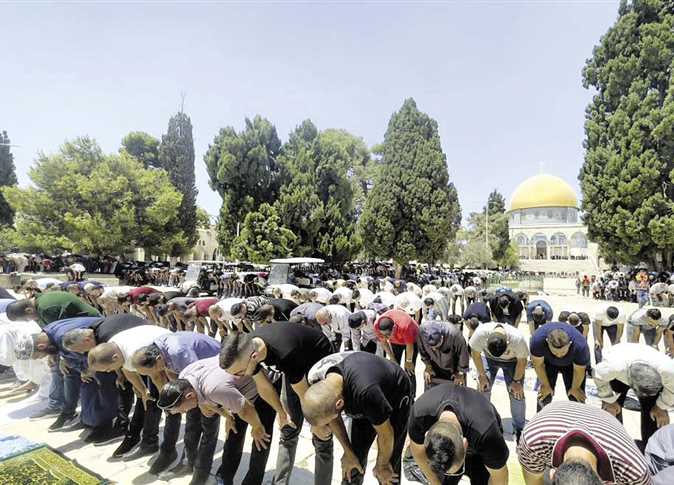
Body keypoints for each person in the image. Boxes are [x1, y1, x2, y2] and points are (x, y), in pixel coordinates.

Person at [219, 323, 334, 485]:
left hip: (318, 365)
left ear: (254, 357)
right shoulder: (250, 347)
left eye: (239, 372)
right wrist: (281, 412)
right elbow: (264, 386)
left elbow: (305, 397)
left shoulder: (285, 353)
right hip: (294, 370)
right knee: (288, 428)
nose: (238, 378)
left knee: (322, 434)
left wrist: (316, 423)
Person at [158, 355, 276, 485]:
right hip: (236, 387)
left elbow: (246, 409)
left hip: (263, 383)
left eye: (181, 409)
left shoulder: (214, 389)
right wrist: (227, 415)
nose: (183, 412)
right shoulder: (185, 377)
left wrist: (257, 426)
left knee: (261, 438)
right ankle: (224, 477)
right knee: (233, 432)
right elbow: (205, 397)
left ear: (189, 396)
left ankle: (253, 481)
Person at [303, 351, 413, 485]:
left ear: (340, 404)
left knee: (388, 467)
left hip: (395, 394)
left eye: (326, 424)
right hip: (365, 392)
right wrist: (348, 453)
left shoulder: (366, 393)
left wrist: (382, 465)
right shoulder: (326, 384)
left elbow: (386, 434)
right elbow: (332, 417)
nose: (328, 428)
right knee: (353, 459)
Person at [61, 313, 157, 456]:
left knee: (147, 396)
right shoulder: (93, 332)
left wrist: (139, 388)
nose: (82, 353)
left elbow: (123, 358)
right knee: (124, 385)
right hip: (127, 352)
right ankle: (123, 426)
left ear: (87, 340)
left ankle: (144, 438)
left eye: (80, 350)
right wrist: (120, 374)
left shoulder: (107, 338)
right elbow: (118, 359)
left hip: (147, 349)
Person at [15, 317, 120, 443]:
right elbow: (68, 353)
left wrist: (86, 370)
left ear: (41, 346)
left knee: (102, 382)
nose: (40, 358)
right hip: (90, 347)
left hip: (105, 346)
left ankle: (106, 424)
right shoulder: (48, 332)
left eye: (38, 356)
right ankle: (87, 420)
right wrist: (63, 359)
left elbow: (84, 354)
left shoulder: (62, 337)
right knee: (83, 383)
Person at [130, 332, 221, 475]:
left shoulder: (178, 352)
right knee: (191, 425)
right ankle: (189, 463)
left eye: (150, 371)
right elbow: (172, 371)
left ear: (158, 359)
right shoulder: (159, 348)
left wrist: (204, 404)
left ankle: (201, 471)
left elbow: (198, 378)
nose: (151, 375)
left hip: (214, 373)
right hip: (194, 379)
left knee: (208, 423)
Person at [6, 291, 101, 420]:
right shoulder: (40, 306)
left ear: (28, 310)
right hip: (76, 336)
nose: (30, 321)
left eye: (27, 319)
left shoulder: (47, 309)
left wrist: (64, 359)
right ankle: (64, 407)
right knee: (61, 367)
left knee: (68, 370)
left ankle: (64, 408)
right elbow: (52, 335)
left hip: (90, 334)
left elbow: (65, 337)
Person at [87, 324, 172, 459]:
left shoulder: (132, 353)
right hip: (147, 346)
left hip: (166, 351)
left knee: (156, 399)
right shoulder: (112, 346)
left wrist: (168, 400)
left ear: (114, 358)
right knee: (144, 397)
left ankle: (152, 443)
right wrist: (143, 391)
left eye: (107, 369)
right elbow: (127, 369)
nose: (109, 372)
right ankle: (136, 437)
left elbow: (157, 376)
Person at [517, 401, 651, 485]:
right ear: (552, 474)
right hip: (558, 412)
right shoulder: (533, 443)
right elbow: (534, 481)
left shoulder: (634, 472)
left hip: (607, 424)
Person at [407, 383, 509, 485]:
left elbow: (499, 478)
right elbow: (418, 453)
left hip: (480, 447)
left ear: (465, 445)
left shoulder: (488, 435)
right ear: (427, 436)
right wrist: (435, 482)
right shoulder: (419, 415)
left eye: (456, 471)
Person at [593, 343, 673, 448]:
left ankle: (651, 448)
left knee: (654, 414)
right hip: (619, 368)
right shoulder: (613, 367)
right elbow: (598, 376)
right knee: (611, 410)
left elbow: (672, 390)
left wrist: (661, 406)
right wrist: (609, 400)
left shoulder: (669, 371)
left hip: (647, 365)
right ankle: (615, 444)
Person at [468, 321, 528, 442]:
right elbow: (475, 354)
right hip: (489, 359)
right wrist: (481, 375)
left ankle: (519, 428)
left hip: (512, 361)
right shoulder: (480, 333)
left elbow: (522, 361)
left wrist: (516, 382)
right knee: (482, 388)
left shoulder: (518, 339)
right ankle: (481, 423)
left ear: (507, 342)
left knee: (517, 393)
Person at [529, 323, 590, 410]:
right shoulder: (537, 341)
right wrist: (546, 385)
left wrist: (575, 388)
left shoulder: (580, 346)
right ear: (547, 342)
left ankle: (579, 421)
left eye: (562, 352)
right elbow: (538, 365)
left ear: (570, 344)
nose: (559, 356)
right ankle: (540, 419)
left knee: (576, 396)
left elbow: (579, 370)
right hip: (549, 363)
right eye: (556, 352)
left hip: (571, 365)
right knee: (544, 395)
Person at [417, 321, 469, 391]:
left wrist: (460, 373)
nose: (434, 349)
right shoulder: (422, 331)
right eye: (431, 347)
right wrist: (428, 366)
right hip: (434, 365)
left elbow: (463, 354)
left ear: (442, 337)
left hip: (453, 368)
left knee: (458, 394)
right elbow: (422, 350)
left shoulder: (454, 335)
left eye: (436, 346)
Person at [374, 309, 419, 375]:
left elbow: (410, 345)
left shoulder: (405, 325)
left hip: (413, 338)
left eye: (387, 335)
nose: (386, 338)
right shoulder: (377, 326)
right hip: (396, 341)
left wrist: (408, 361)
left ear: (394, 328)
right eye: (383, 335)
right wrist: (392, 358)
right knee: (394, 367)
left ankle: (410, 383)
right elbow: (384, 342)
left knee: (409, 370)